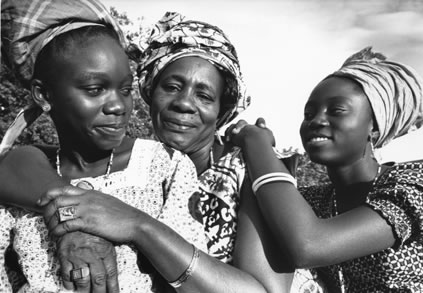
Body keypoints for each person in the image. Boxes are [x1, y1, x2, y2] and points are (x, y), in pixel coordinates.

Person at [0, 9, 294, 293]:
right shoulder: (36, 169)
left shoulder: (222, 171)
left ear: (222, 109)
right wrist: (73, 220)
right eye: (172, 87)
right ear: (150, 92)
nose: (184, 104)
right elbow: (17, 163)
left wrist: (135, 223)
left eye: (204, 95)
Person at [0, 1, 207, 292]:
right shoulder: (24, 180)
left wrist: (135, 224)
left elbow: (198, 279)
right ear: (43, 94)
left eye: (125, 90)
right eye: (95, 89)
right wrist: (72, 219)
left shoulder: (164, 168)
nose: (117, 106)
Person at [227, 47, 423, 292]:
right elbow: (266, 285)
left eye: (336, 110)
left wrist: (257, 144)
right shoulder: (312, 202)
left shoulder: (414, 185)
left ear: (373, 127)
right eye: (309, 113)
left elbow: (310, 245)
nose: (316, 121)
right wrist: (253, 166)